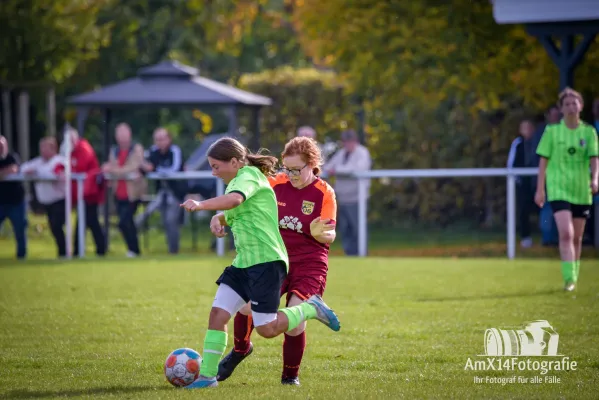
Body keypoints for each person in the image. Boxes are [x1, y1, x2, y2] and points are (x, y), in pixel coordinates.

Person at [179, 137, 340, 389]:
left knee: (288, 324)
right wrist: (220, 218)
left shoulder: (323, 192)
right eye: (287, 168)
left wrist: (324, 234)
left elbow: (329, 232)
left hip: (301, 260)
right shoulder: (273, 182)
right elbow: (243, 204)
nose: (291, 174)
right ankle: (222, 365)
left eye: (296, 169)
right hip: (260, 257)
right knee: (233, 311)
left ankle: (290, 376)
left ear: (312, 165)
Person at [535, 88, 599, 292]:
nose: (571, 107)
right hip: (558, 188)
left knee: (577, 237)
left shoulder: (588, 132)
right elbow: (543, 162)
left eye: (574, 103)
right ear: (561, 109)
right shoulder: (552, 132)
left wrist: (595, 179)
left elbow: (594, 158)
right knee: (566, 232)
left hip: (581, 189)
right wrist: (540, 189)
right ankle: (569, 279)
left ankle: (574, 274)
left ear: (581, 106)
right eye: (567, 104)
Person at [323, 129, 371, 255]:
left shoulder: (362, 153)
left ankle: (361, 253)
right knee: (345, 229)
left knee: (358, 229)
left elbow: (356, 168)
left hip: (357, 198)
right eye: (346, 142)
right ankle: (349, 254)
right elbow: (328, 166)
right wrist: (332, 169)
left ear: (355, 141)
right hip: (343, 198)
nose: (348, 145)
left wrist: (336, 170)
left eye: (350, 141)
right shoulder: (341, 153)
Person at [103, 123, 146, 257]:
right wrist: (119, 172)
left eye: (124, 133)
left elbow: (134, 166)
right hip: (119, 193)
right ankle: (134, 250)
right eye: (119, 133)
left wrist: (115, 171)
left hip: (133, 193)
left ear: (129, 134)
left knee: (125, 221)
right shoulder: (114, 150)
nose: (121, 136)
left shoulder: (136, 148)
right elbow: (111, 167)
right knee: (126, 223)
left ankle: (134, 249)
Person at [20, 137, 67, 258]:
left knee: (57, 225)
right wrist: (33, 170)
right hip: (47, 202)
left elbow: (53, 173)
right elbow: (24, 168)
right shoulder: (38, 161)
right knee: (54, 227)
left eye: (45, 147)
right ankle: (63, 251)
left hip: (59, 200)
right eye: (41, 147)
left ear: (53, 148)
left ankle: (64, 252)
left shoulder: (60, 161)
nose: (42, 150)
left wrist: (36, 172)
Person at [142, 128, 185, 254]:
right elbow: (145, 167)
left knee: (171, 220)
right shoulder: (152, 151)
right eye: (157, 140)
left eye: (162, 139)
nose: (159, 142)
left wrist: (155, 170)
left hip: (175, 193)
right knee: (151, 217)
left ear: (169, 139)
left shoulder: (175, 150)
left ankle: (173, 250)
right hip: (161, 192)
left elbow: (174, 169)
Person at [66, 128, 106, 257]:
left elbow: (80, 166)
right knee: (91, 221)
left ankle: (82, 250)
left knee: (88, 221)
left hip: (90, 192)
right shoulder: (70, 151)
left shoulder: (84, 148)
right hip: (83, 193)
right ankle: (99, 249)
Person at [507, 119, 539, 248]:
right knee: (523, 211)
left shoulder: (540, 142)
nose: (528, 130)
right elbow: (510, 165)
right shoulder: (518, 143)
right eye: (525, 128)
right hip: (523, 183)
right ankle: (526, 238)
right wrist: (518, 180)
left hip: (539, 182)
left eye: (530, 127)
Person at [0, 135, 27, 259]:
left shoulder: (12, 157)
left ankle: (21, 256)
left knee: (20, 230)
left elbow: (14, 169)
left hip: (16, 202)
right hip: (1, 202)